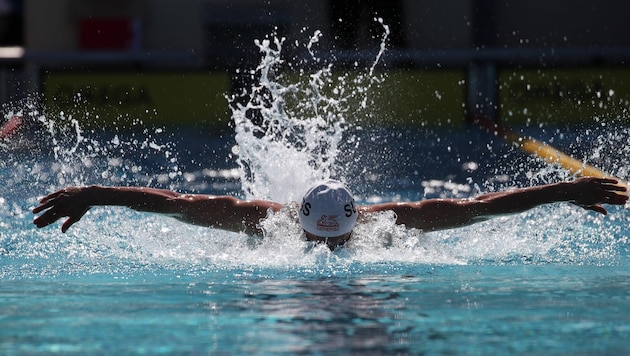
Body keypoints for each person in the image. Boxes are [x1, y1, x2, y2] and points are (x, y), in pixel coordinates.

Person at [33, 177, 628, 250]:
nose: (326, 252)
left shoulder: (388, 221)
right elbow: (175, 205)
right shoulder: (254, 218)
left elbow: (476, 210)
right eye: (319, 243)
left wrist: (561, 190)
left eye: (334, 243)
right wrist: (97, 194)